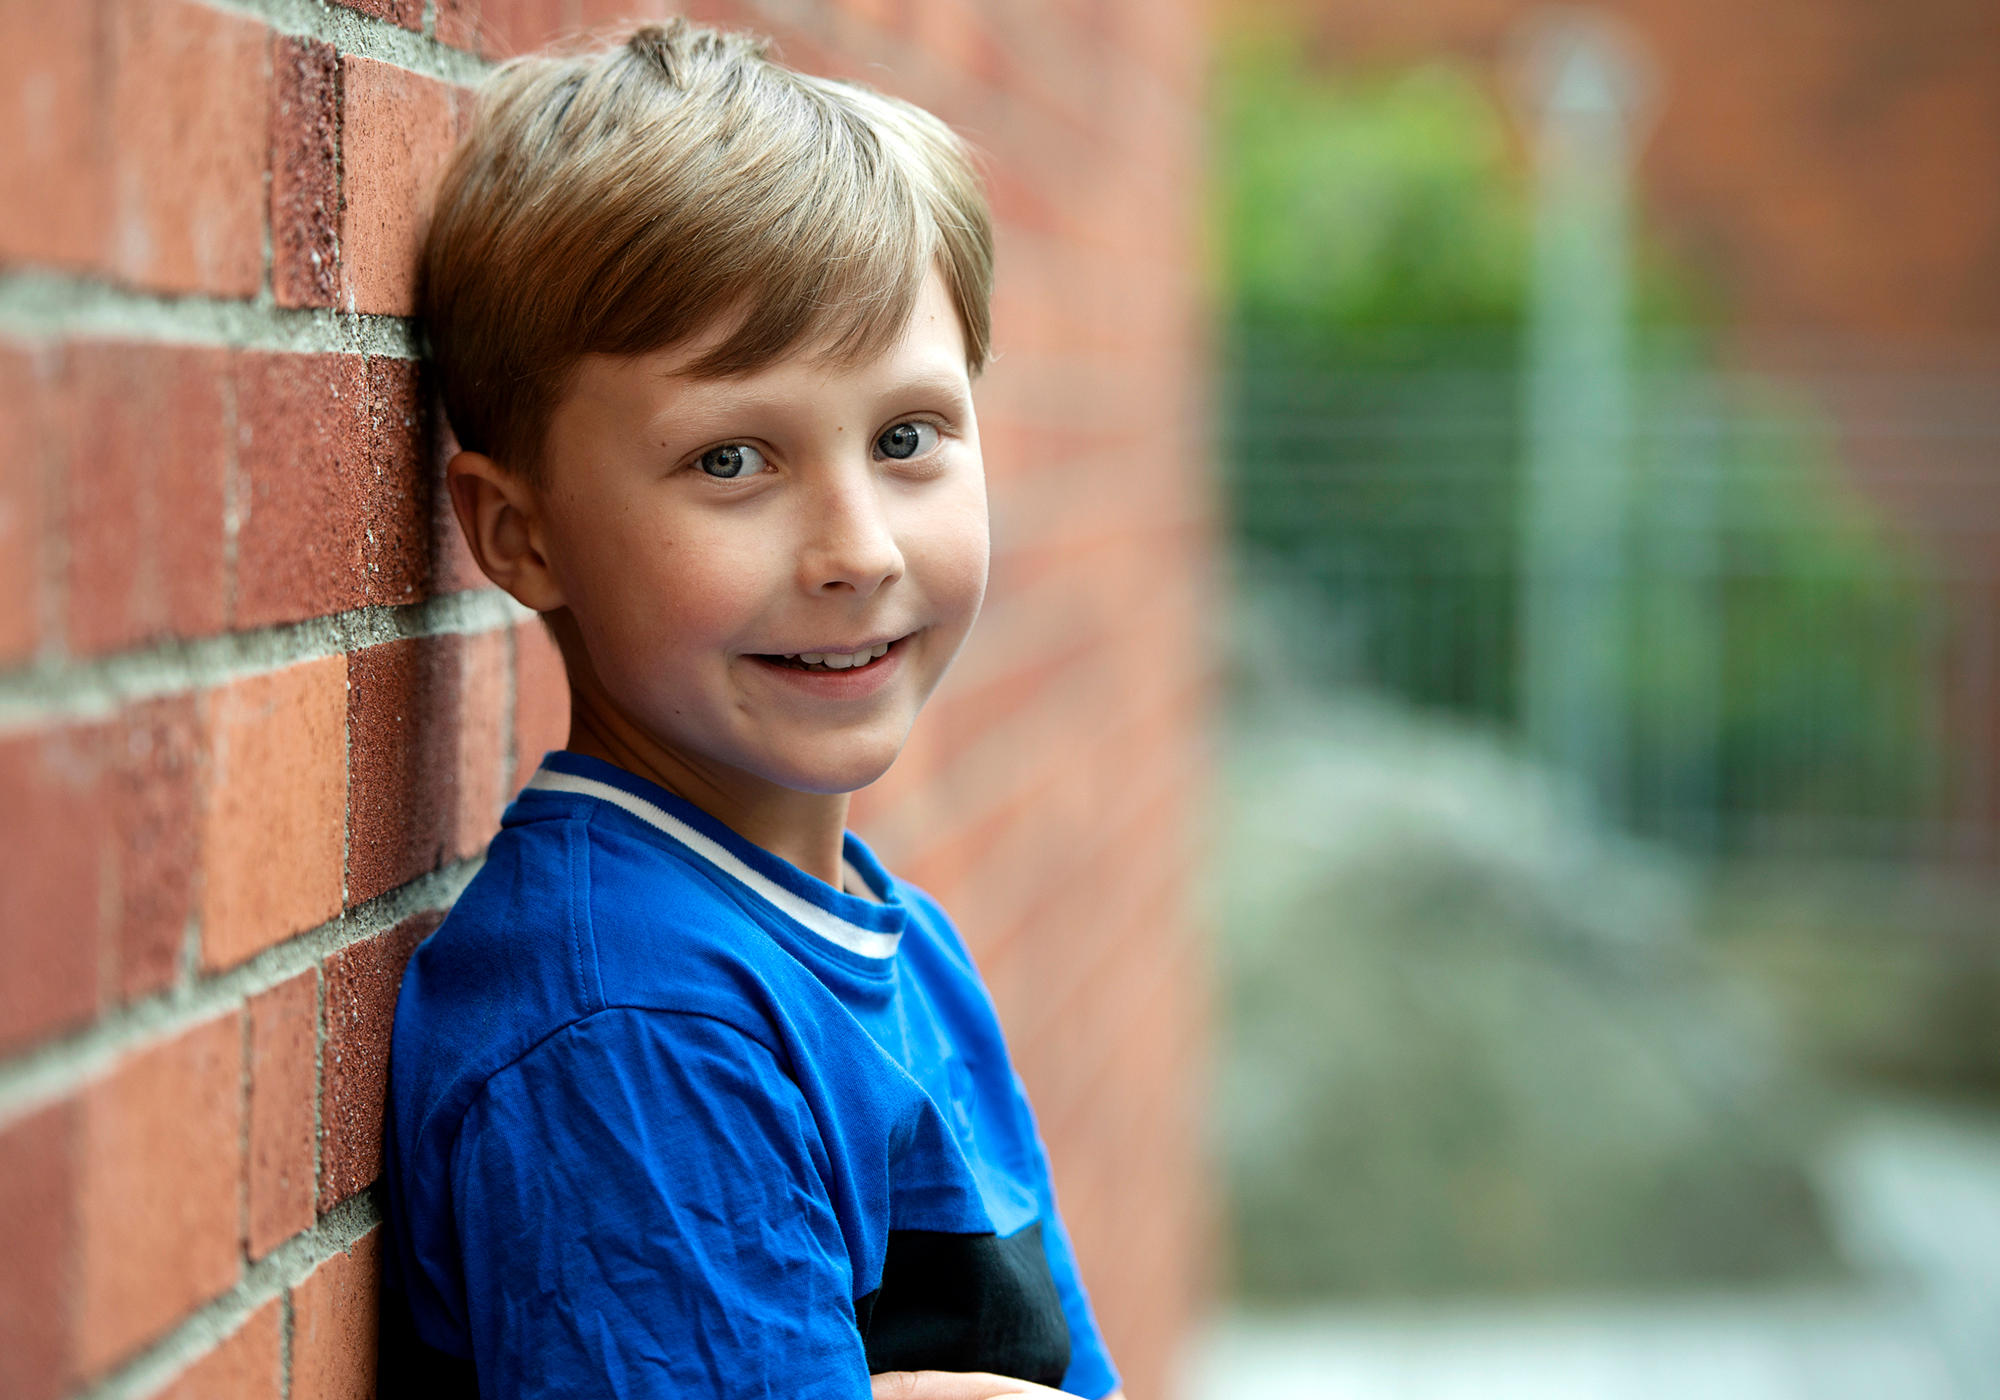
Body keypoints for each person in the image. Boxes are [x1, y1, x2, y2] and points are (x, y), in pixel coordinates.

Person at [380, 19, 1124, 1400]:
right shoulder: (634, 1026)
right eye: (734, 458)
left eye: (906, 437)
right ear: (521, 533)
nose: (858, 549)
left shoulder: (894, 942)